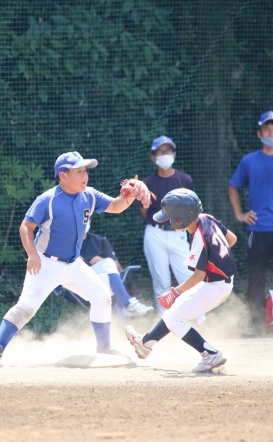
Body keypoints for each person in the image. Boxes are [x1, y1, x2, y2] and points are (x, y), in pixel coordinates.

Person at [0, 151, 153, 367]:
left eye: (85, 171)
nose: (85, 176)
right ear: (63, 176)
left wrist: (130, 196)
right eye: (79, 171)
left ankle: (104, 347)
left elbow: (115, 206)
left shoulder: (89, 195)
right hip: (45, 263)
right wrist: (32, 254)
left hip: (73, 264)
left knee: (102, 296)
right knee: (27, 307)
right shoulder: (48, 200)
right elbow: (26, 227)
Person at [125, 188, 237, 373]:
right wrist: (216, 257)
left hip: (215, 286)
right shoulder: (207, 218)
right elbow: (232, 239)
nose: (170, 221)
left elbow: (198, 276)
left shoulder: (199, 237)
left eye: (171, 218)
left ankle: (211, 354)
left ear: (182, 219)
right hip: (217, 283)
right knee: (175, 312)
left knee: (174, 318)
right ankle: (145, 344)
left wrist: (175, 291)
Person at [228, 111, 273, 336]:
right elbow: (233, 186)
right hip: (257, 229)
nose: (271, 133)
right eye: (266, 129)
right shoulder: (249, 161)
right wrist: (240, 214)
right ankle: (255, 323)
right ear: (259, 133)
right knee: (255, 278)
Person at [138, 136, 195, 311]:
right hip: (155, 234)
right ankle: (166, 321)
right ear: (153, 157)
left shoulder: (185, 180)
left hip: (179, 234)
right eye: (160, 152)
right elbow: (144, 212)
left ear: (174, 154)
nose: (164, 155)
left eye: (168, 151)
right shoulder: (146, 184)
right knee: (161, 282)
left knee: (189, 278)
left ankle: (199, 319)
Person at [80, 222, 153, 318]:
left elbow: (115, 265)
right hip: (79, 281)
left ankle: (111, 316)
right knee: (108, 262)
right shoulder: (67, 243)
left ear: (90, 220)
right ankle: (127, 305)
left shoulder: (99, 240)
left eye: (86, 217)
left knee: (104, 276)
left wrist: (102, 261)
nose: (84, 221)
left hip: (99, 281)